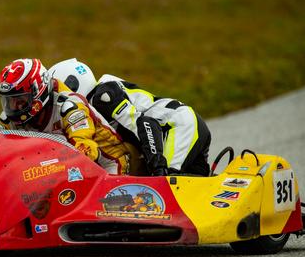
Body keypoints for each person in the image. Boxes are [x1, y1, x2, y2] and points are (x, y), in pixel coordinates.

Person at [48, 58, 211, 176]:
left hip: (177, 125)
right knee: (200, 188)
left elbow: (145, 125)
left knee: (170, 183)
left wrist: (158, 169)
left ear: (72, 84)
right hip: (176, 127)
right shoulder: (96, 103)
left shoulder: (103, 97)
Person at [0, 58, 135, 175]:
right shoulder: (7, 120)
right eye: (8, 101)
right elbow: (3, 157)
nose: (14, 108)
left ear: (39, 91)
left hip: (108, 163)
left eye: (21, 100)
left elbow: (86, 151)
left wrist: (43, 168)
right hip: (58, 168)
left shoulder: (70, 108)